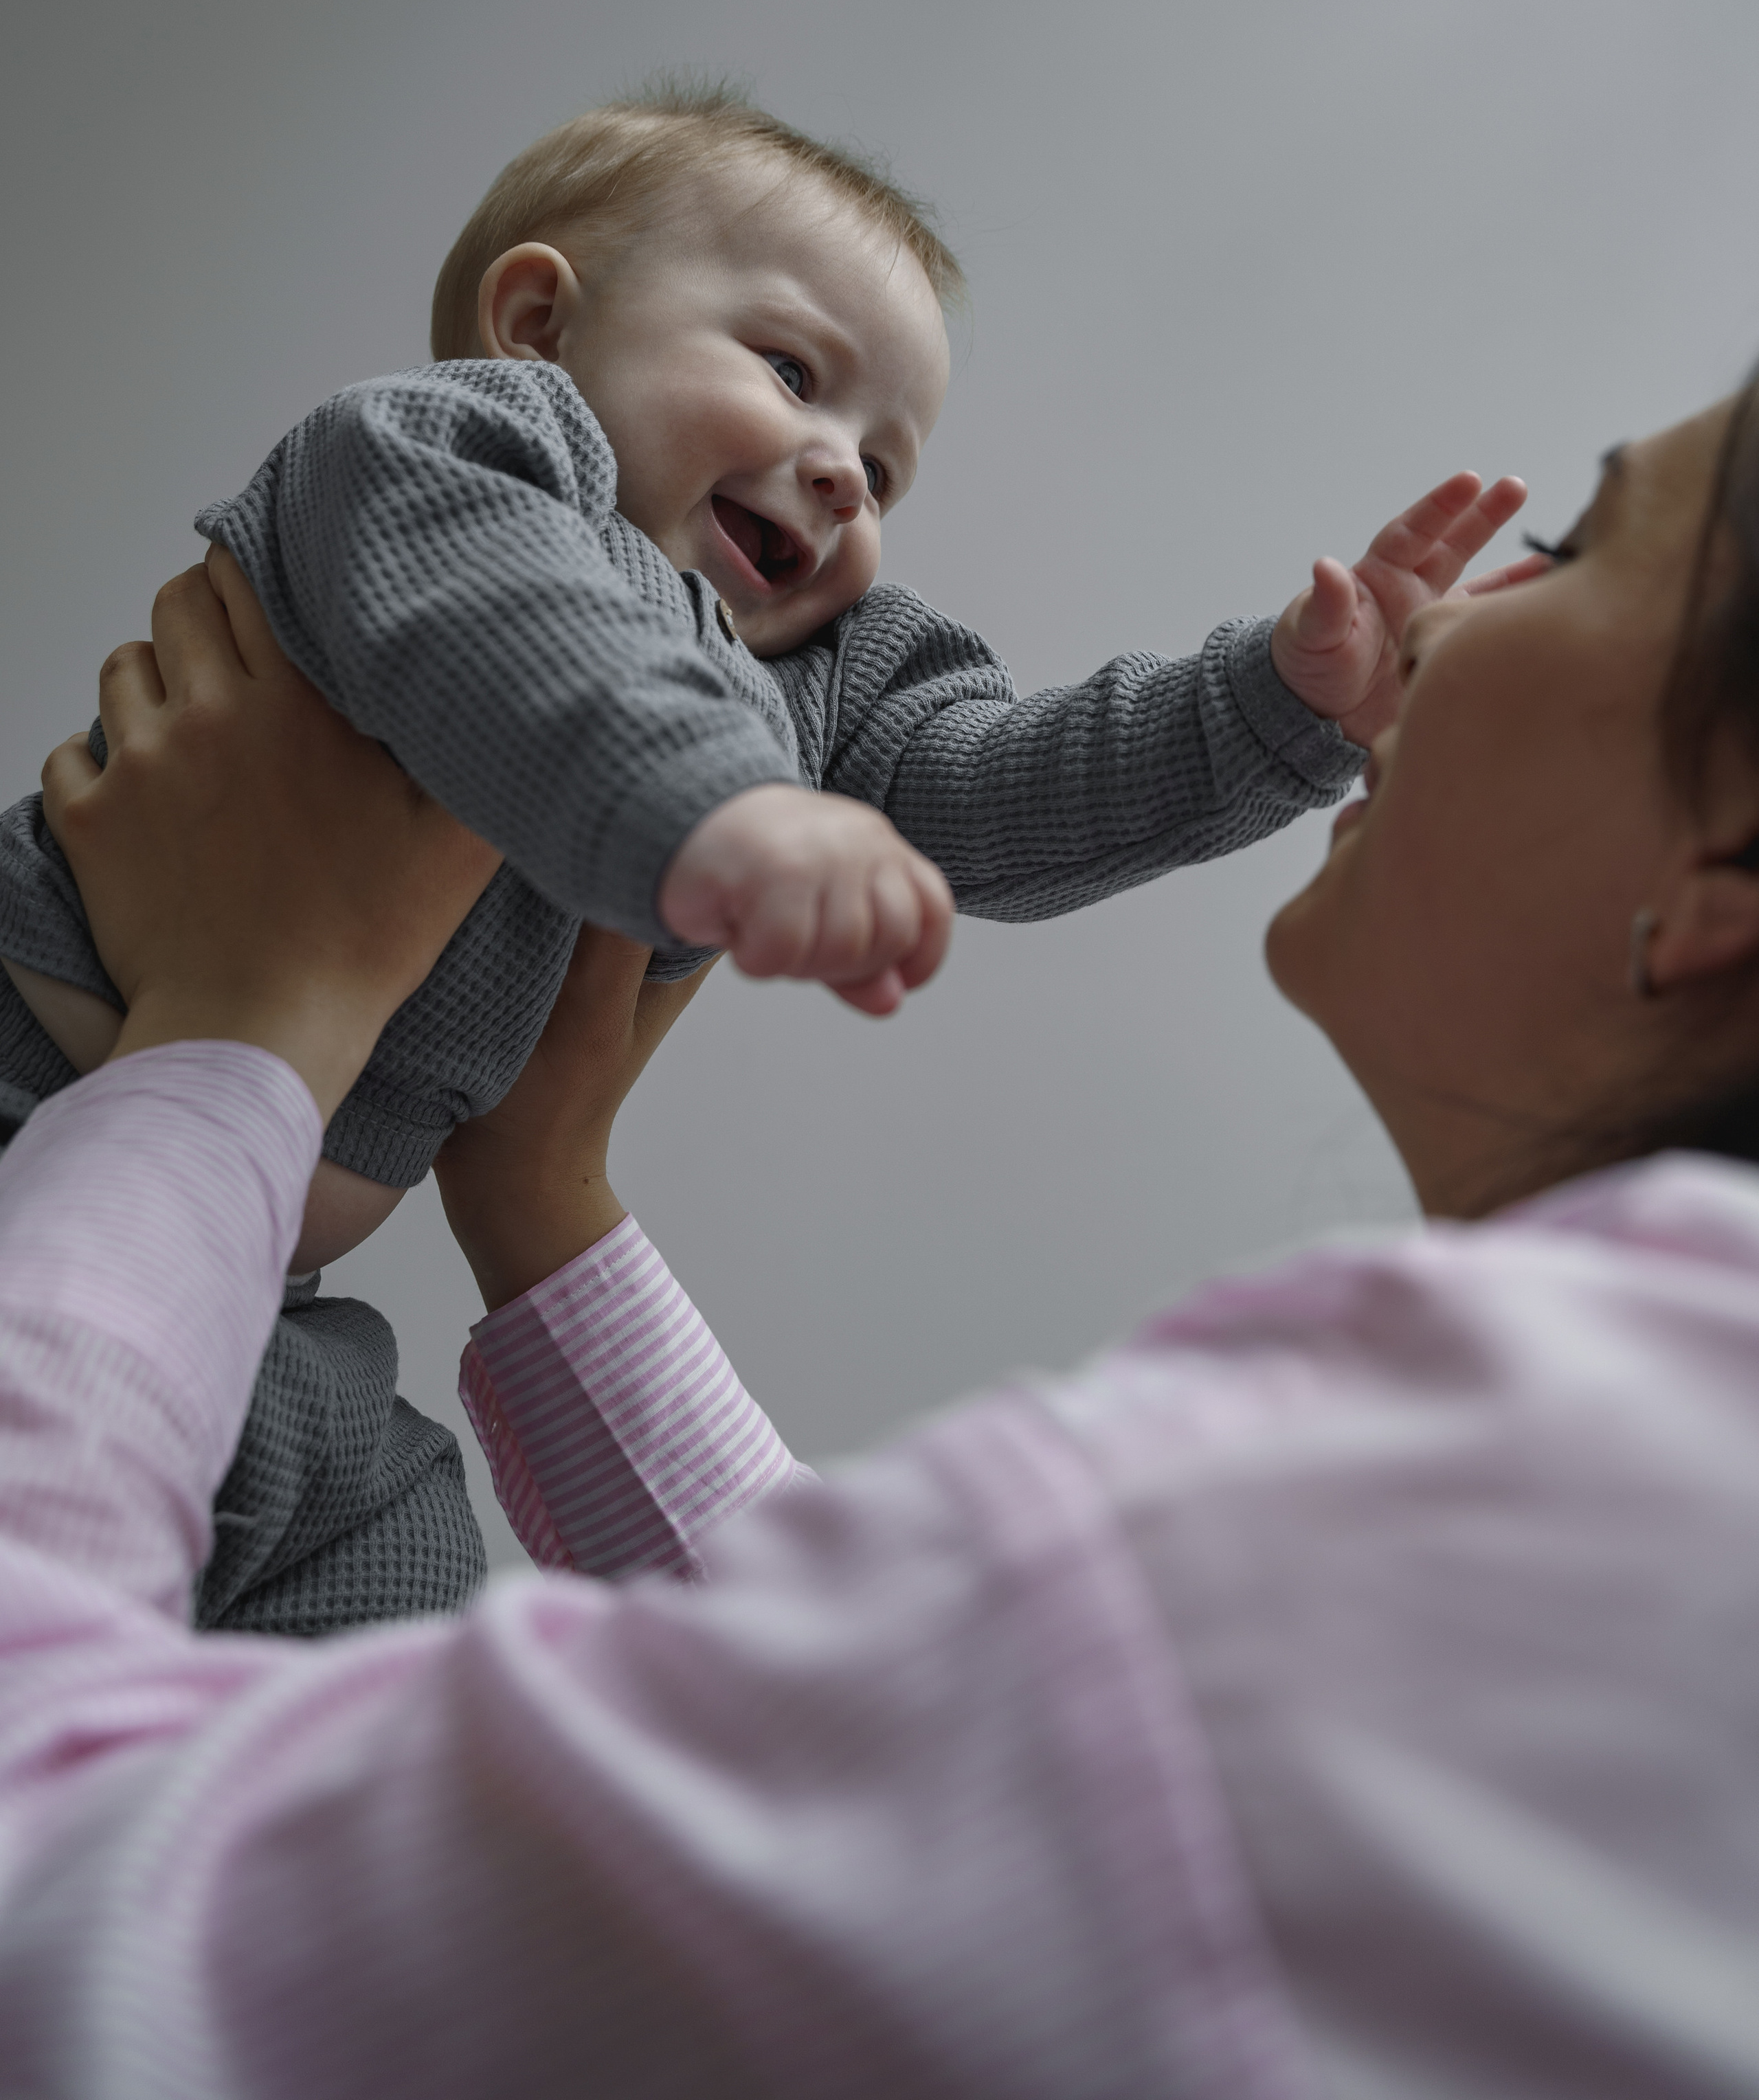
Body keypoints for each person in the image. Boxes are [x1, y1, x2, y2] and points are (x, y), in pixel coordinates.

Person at [10, 379, 1759, 2092]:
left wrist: (238, 1027)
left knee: (389, 1584)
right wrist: (543, 1198)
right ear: (545, 316)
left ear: (1722, 886)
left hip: (219, 1277)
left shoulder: (1422, 1519)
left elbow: (69, 1912)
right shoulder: (474, 454)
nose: (1467, 604)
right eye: (780, 361)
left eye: (1576, 546)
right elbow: (876, 1746)